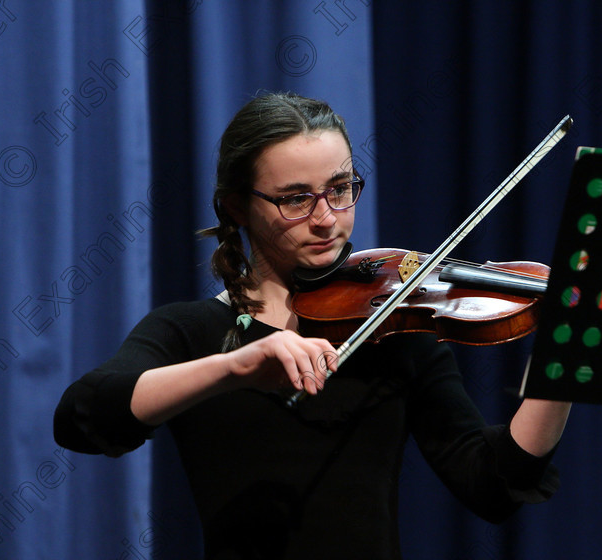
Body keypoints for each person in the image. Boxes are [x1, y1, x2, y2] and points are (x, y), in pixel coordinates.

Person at [54, 92, 571, 559]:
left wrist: (565, 352)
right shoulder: (189, 331)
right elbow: (84, 417)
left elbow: (493, 485)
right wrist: (236, 367)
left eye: (340, 188)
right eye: (296, 198)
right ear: (238, 207)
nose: (327, 218)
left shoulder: (393, 328)